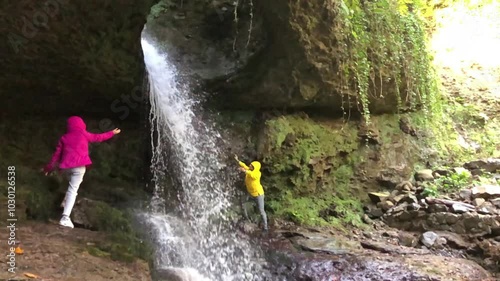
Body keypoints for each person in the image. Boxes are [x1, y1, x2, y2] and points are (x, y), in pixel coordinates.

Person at [43, 116, 121, 228]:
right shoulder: (84, 134)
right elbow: (98, 137)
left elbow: (56, 156)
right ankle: (65, 217)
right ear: (82, 125)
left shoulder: (64, 138)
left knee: (69, 185)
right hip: (79, 167)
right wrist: (112, 133)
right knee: (73, 190)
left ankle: (65, 203)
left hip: (66, 168)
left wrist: (48, 169)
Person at [234, 154, 268, 232]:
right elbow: (244, 166)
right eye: (250, 165)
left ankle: (265, 226)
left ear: (255, 168)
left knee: (261, 210)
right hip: (250, 192)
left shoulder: (257, 174)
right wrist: (237, 160)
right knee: (242, 203)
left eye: (252, 166)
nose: (250, 166)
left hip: (258, 194)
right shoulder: (249, 170)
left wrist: (244, 170)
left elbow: (252, 175)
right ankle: (246, 217)